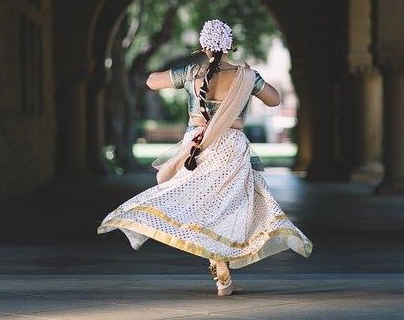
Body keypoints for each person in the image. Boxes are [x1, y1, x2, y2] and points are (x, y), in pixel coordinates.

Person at [97, 19, 312, 296]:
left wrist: (184, 71)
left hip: (196, 148)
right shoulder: (245, 76)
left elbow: (151, 81)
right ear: (231, 46)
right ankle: (224, 275)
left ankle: (220, 271)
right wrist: (253, 80)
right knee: (228, 209)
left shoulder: (192, 73)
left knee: (200, 205)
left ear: (203, 46)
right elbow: (275, 99)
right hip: (231, 149)